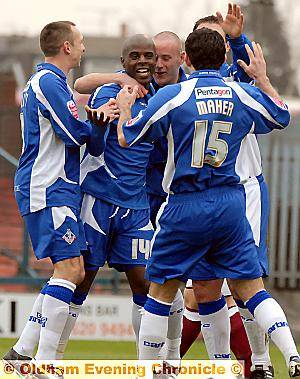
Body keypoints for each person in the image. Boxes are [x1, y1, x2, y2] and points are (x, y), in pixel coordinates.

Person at [114, 28, 300, 378]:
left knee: (161, 292)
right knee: (251, 290)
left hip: (186, 204)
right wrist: (261, 78)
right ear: (223, 59)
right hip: (231, 205)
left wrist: (125, 109)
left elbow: (128, 136)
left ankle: (147, 370)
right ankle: (291, 355)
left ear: (186, 59)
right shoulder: (241, 93)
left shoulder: (174, 94)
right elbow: (281, 115)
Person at [3, 21, 116, 365]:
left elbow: (88, 141)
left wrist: (97, 123)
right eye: (80, 42)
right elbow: (73, 133)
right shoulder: (47, 83)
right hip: (47, 187)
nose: (83, 48)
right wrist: (95, 120)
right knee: (70, 270)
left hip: (59, 188)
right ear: (67, 47)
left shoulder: (58, 85)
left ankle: (21, 354)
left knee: (71, 270)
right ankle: (43, 363)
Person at [73, 34, 157, 355]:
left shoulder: (158, 99)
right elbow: (94, 146)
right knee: (81, 280)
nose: (143, 61)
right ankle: (47, 360)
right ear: (123, 62)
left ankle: (146, 368)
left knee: (146, 287)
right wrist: (96, 126)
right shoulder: (108, 92)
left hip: (136, 206)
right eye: (134, 56)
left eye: (148, 55)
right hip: (98, 200)